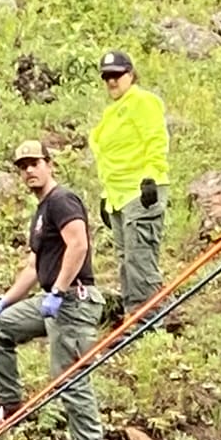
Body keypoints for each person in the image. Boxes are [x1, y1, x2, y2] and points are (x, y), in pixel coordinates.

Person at [0, 141, 105, 440]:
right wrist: (5, 302)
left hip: (74, 300)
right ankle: (11, 406)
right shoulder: (40, 212)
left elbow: (78, 244)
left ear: (49, 164)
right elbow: (34, 266)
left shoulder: (62, 200)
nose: (29, 171)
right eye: (22, 166)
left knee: (69, 376)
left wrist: (59, 290)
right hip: (53, 299)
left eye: (34, 163)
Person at [88, 48, 169, 315]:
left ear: (130, 75)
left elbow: (155, 139)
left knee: (139, 258)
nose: (111, 81)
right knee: (126, 259)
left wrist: (152, 176)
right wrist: (106, 197)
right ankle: (134, 315)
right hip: (119, 196)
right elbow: (111, 157)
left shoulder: (142, 101)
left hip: (140, 191)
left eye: (117, 75)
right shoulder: (113, 112)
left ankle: (147, 319)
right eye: (107, 76)